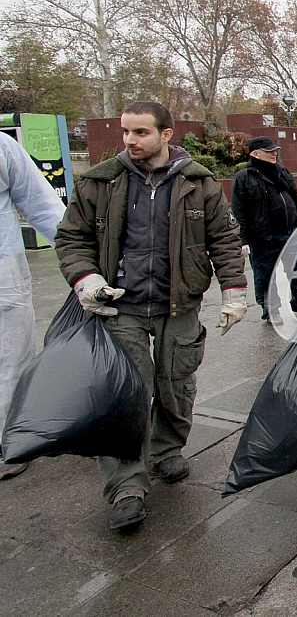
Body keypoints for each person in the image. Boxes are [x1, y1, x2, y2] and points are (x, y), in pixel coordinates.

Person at [54, 101, 247, 530]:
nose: (129, 141)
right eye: (126, 132)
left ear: (165, 134)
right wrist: (85, 279)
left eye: (140, 132)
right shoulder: (100, 183)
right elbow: (71, 238)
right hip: (120, 306)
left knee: (176, 383)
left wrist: (234, 291)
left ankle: (166, 450)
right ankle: (126, 485)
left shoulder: (199, 184)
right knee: (126, 393)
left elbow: (224, 241)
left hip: (178, 304)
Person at [0, 133, 66, 481]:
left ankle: (6, 442)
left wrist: (81, 257)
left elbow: (43, 206)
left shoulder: (3, 148)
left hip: (3, 270)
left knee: (9, 358)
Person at [231, 137, 297, 323]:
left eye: (275, 150)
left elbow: (294, 198)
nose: (274, 153)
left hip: (291, 231)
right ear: (255, 154)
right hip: (263, 237)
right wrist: (243, 240)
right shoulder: (244, 177)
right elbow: (239, 210)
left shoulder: (281, 171)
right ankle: (271, 310)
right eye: (269, 151)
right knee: (266, 276)